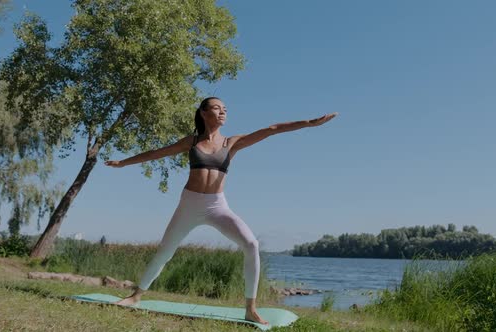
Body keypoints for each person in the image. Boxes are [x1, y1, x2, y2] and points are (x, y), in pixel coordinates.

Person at [105, 97, 337, 324]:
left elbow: (272, 129)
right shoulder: (192, 142)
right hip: (189, 205)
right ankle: (135, 296)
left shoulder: (231, 143)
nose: (223, 112)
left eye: (225, 108)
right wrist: (124, 162)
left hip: (217, 206)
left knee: (251, 245)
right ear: (204, 113)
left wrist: (308, 123)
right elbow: (158, 153)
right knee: (165, 252)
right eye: (217, 108)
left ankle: (250, 308)